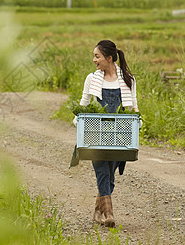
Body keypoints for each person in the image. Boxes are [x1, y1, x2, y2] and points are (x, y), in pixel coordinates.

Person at [74, 40, 139, 228]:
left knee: (109, 175)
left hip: (120, 135)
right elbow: (84, 104)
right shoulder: (91, 79)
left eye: (97, 56)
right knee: (101, 168)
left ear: (109, 58)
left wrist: (137, 122)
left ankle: (98, 208)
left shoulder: (128, 79)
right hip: (96, 132)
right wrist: (78, 120)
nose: (94, 60)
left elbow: (132, 105)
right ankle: (109, 213)